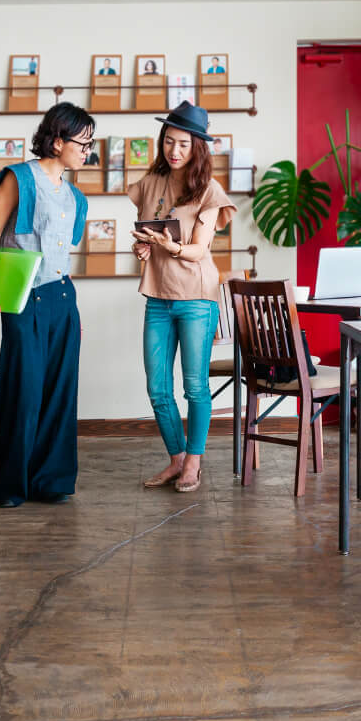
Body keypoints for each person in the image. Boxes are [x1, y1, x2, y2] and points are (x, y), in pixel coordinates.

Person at [0, 101, 95, 508]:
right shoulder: (19, 178)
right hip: (22, 296)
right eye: (83, 143)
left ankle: (52, 481)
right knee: (22, 390)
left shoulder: (76, 196)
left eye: (90, 144)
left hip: (62, 298)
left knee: (60, 391)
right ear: (58, 140)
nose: (87, 151)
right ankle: (10, 484)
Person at [127, 101, 236, 492]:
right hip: (157, 296)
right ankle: (175, 459)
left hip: (196, 298)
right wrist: (144, 248)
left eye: (183, 145)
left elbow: (197, 250)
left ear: (198, 148)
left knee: (194, 386)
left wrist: (168, 246)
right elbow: (145, 237)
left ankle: (194, 461)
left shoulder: (208, 190)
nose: (174, 151)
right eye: (169, 142)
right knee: (157, 387)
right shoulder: (151, 182)